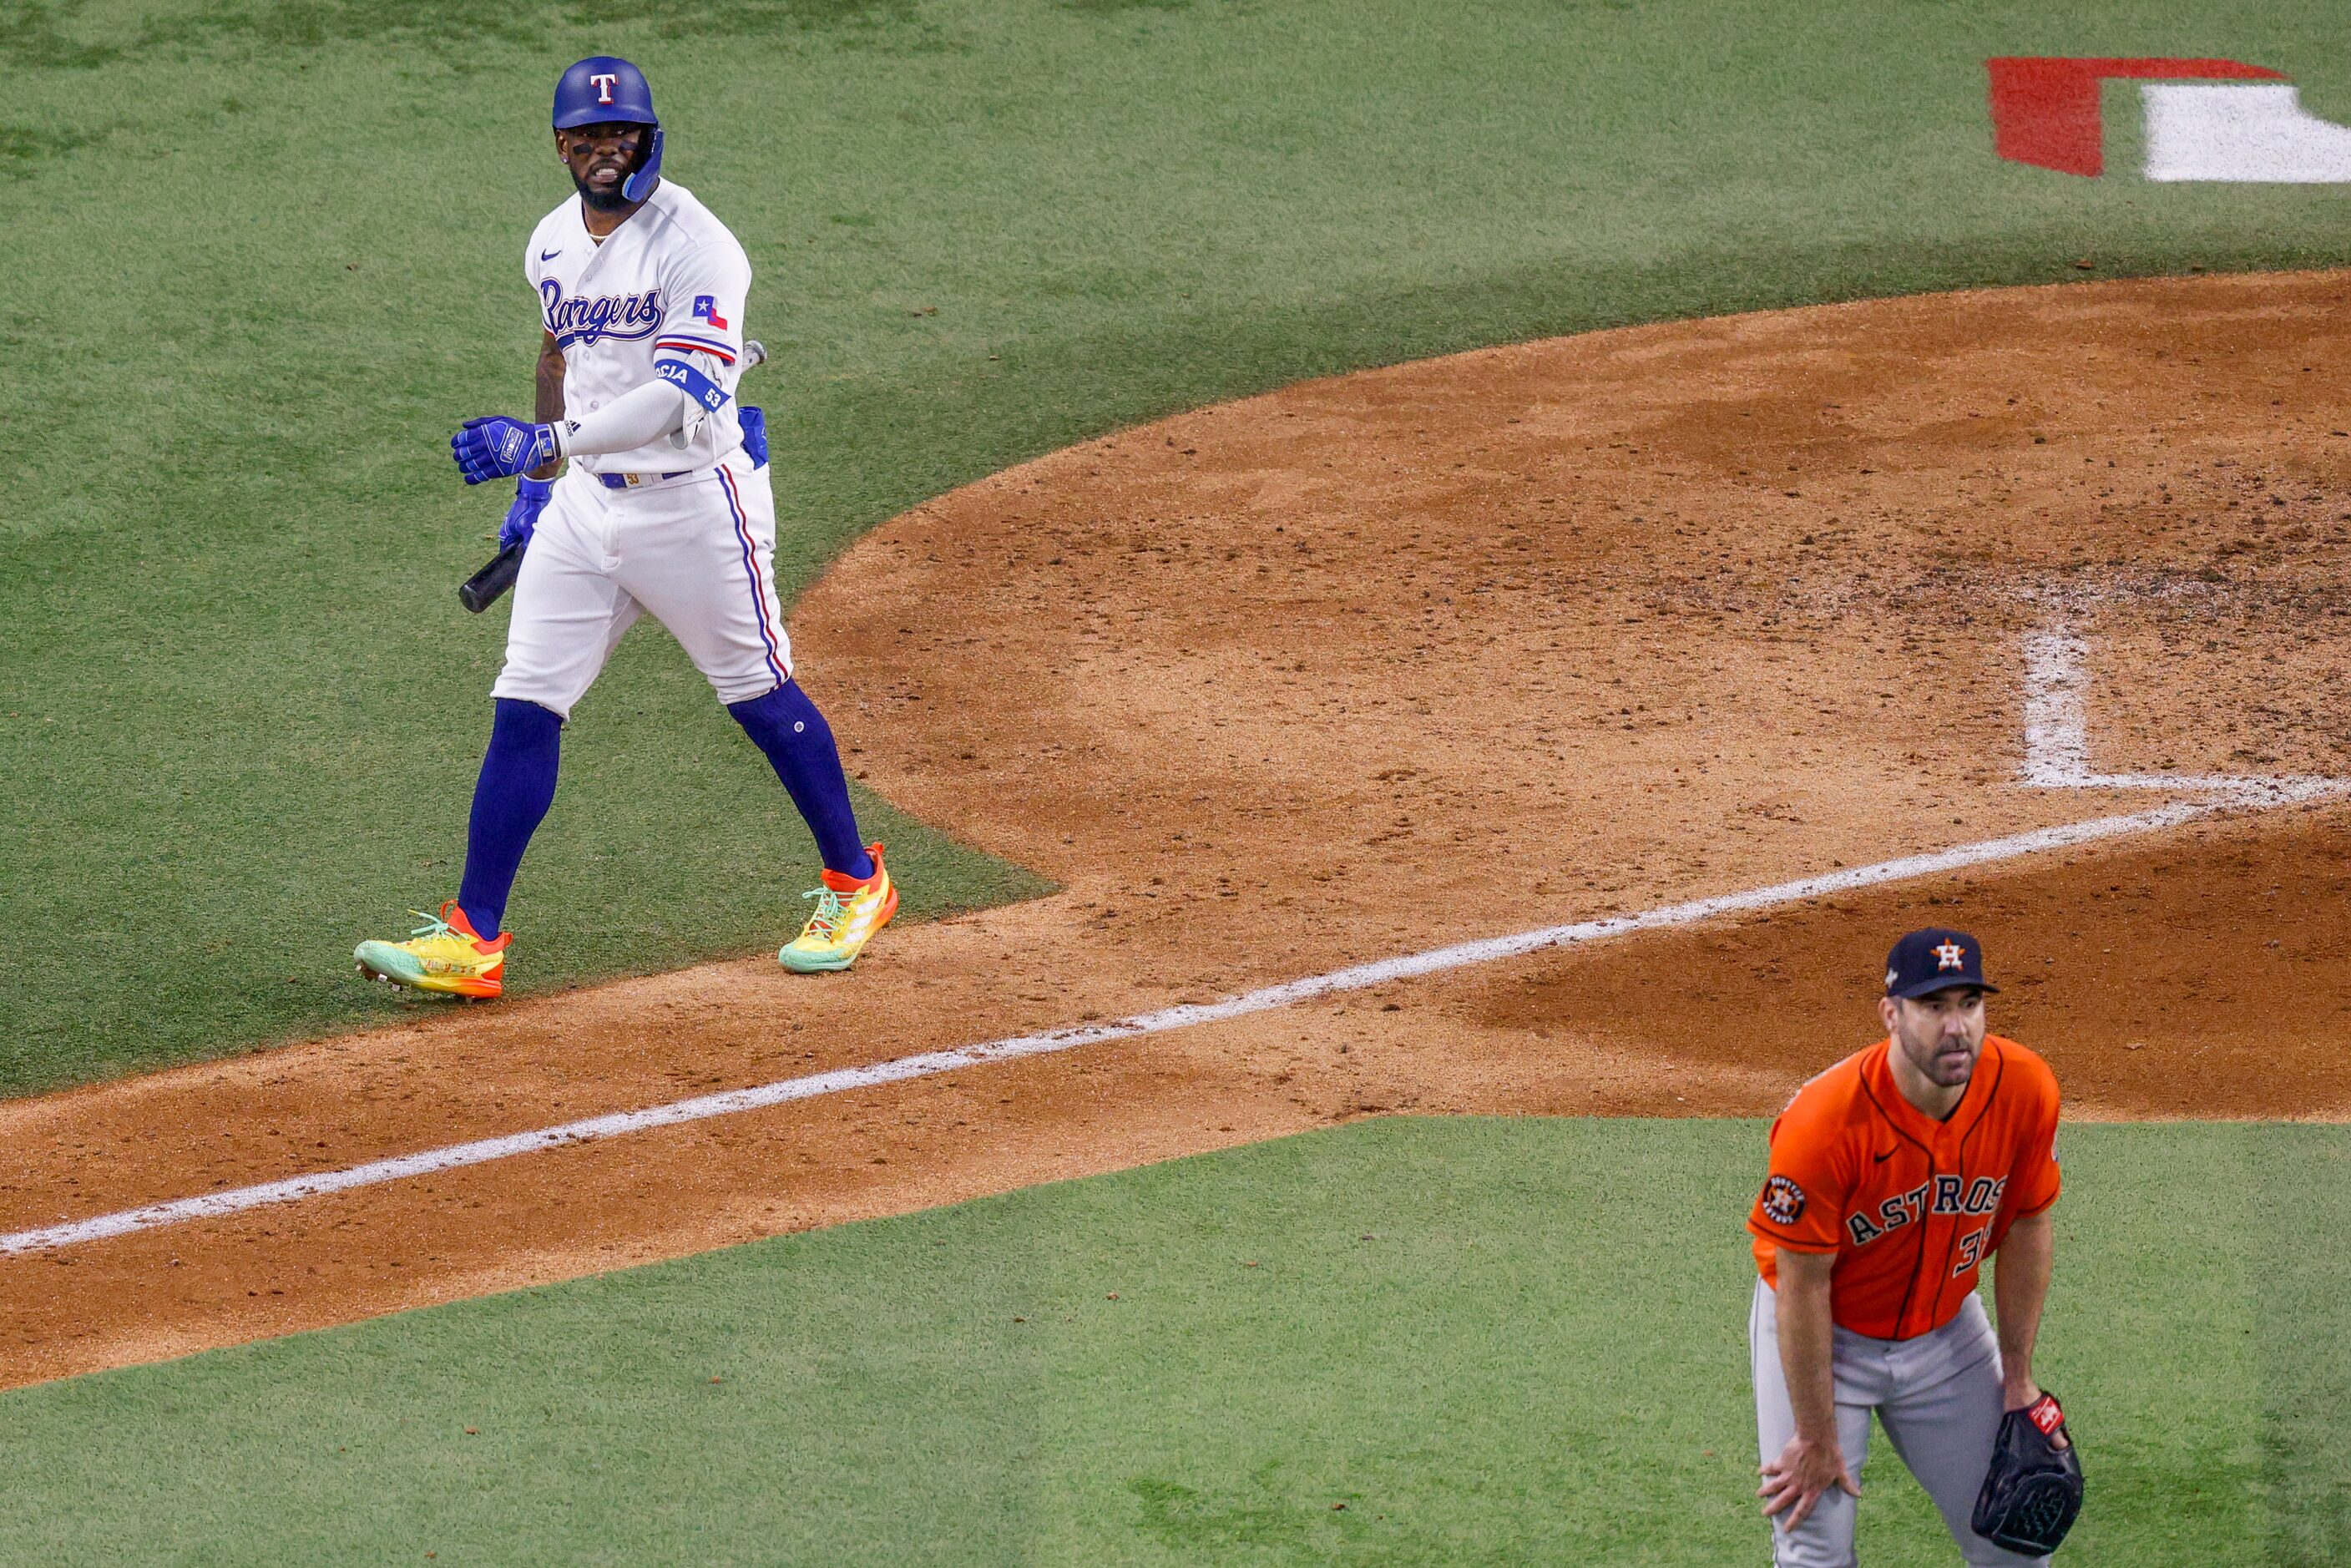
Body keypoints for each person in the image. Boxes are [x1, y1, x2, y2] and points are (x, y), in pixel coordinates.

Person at [354, 56, 896, 999]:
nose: (608, 153)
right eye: (589, 139)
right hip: (586, 505)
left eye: (624, 136)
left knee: (758, 695)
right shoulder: (550, 242)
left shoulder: (700, 245)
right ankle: (472, 936)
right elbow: (559, 348)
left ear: (649, 138)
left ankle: (858, 881)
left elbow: (682, 391)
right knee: (526, 700)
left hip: (694, 501)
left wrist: (544, 442)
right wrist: (541, 481)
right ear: (561, 146)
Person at [1747, 928, 2068, 1566]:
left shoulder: (2025, 1090)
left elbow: (2029, 1224)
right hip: (1826, 1339)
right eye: (1934, 1006)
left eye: (1969, 1003)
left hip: (1947, 1336)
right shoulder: (1823, 1125)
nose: (1957, 1027)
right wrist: (1815, 1434)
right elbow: (1803, 1283)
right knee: (1815, 1549)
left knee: (2017, 1546)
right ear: (1891, 1015)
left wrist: (2018, 1377)